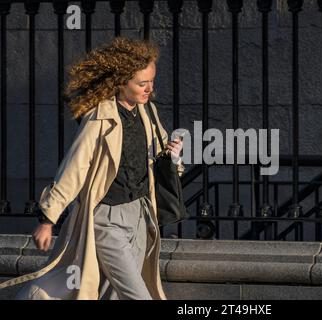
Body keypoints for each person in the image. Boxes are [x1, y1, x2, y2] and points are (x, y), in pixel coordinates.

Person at [0, 37, 184, 300]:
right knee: (138, 295)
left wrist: (173, 157)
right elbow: (75, 167)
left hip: (141, 216)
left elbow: (159, 158)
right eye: (142, 84)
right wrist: (47, 219)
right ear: (120, 83)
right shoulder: (99, 117)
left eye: (151, 82)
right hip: (106, 221)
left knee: (111, 293)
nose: (149, 89)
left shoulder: (149, 113)